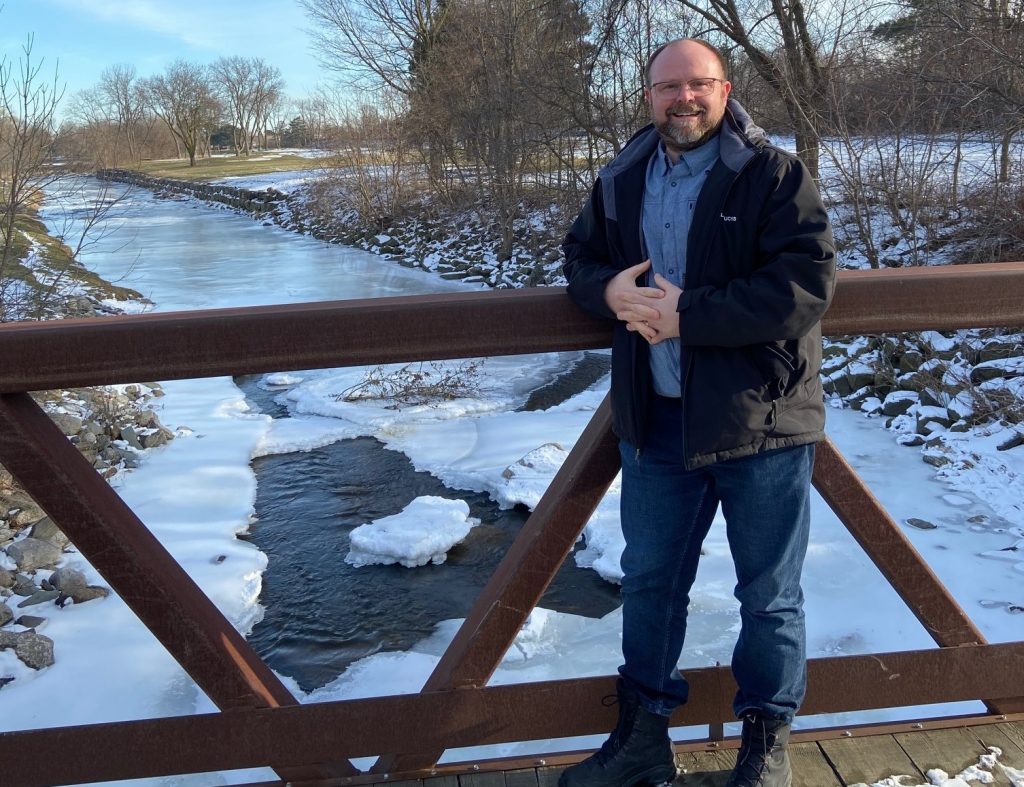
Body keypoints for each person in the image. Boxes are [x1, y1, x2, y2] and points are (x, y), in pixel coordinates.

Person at [559, 38, 836, 787]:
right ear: (647, 95)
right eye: (667, 86)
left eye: (698, 84)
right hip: (659, 420)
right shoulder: (621, 178)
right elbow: (577, 258)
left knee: (768, 595)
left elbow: (804, 288)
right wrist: (608, 292)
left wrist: (692, 316)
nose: (683, 98)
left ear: (726, 88)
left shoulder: (772, 174)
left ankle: (765, 746)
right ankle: (643, 738)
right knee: (649, 583)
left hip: (762, 420)